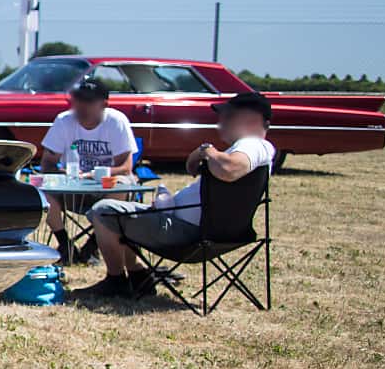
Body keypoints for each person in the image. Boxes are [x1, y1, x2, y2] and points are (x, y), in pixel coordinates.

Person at [84, 92, 277, 298]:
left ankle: (116, 281)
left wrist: (207, 150)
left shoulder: (253, 145)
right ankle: (138, 275)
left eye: (227, 116)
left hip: (187, 235)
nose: (220, 122)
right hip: (201, 231)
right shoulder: (253, 148)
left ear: (249, 119)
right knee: (120, 215)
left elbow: (229, 170)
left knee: (103, 212)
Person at [36, 77, 136, 254]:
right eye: (78, 100)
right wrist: (63, 172)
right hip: (72, 189)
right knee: (43, 190)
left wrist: (92, 174)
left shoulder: (116, 122)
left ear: (104, 104)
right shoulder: (63, 121)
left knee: (123, 184)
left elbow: (126, 167)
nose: (82, 106)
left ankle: (92, 246)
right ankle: (65, 244)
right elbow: (47, 164)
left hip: (107, 187)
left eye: (89, 101)